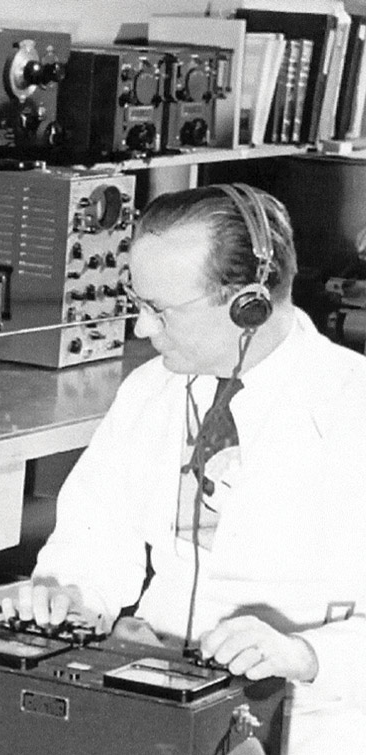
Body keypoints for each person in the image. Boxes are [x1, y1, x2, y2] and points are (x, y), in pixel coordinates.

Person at [29, 183, 366, 754]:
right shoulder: (151, 390)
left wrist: (306, 656)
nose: (142, 329)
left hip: (314, 723)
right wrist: (70, 595)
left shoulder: (352, 408)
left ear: (249, 305)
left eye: (159, 310)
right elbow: (94, 539)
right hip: (153, 701)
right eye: (137, 302)